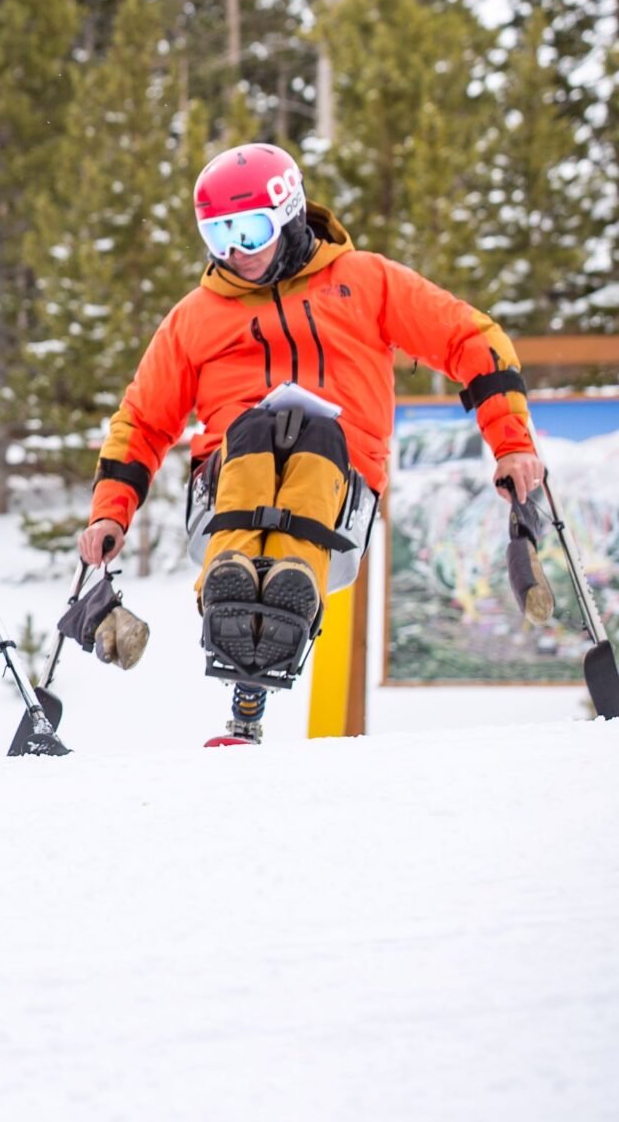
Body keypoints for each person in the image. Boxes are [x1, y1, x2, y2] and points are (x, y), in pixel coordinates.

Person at [78, 143, 542, 743]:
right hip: (228, 487)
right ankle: (233, 586)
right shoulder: (196, 317)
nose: (237, 252)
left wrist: (511, 441)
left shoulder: (364, 281)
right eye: (220, 237)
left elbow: (470, 339)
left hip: (337, 490)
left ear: (290, 214)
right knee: (251, 428)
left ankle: (287, 585)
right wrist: (110, 511)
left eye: (249, 230)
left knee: (317, 433)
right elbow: (142, 420)